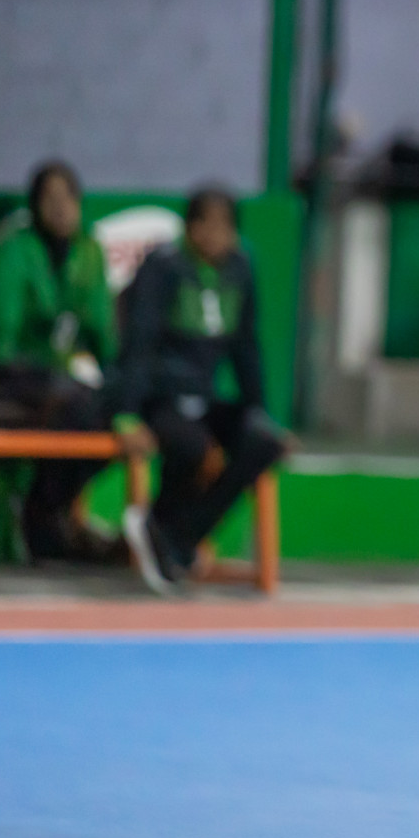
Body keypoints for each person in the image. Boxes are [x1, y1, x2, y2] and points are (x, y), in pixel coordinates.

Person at [117, 188, 287, 595]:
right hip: (158, 398)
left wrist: (258, 410)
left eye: (223, 225)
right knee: (192, 447)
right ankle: (164, 531)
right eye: (204, 223)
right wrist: (126, 413)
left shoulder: (240, 270)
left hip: (203, 399)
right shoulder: (162, 267)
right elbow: (139, 343)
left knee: (264, 443)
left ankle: (176, 537)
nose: (213, 234)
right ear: (189, 227)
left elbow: (246, 347)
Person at [0, 160, 124, 562]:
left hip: (61, 384)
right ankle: (36, 517)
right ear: (34, 206)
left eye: (68, 198)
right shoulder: (15, 251)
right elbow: (1, 335)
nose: (61, 208)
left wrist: (121, 386)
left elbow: (103, 334)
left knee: (111, 410)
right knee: (70, 401)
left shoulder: (89, 252)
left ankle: (46, 513)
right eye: (50, 199)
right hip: (9, 377)